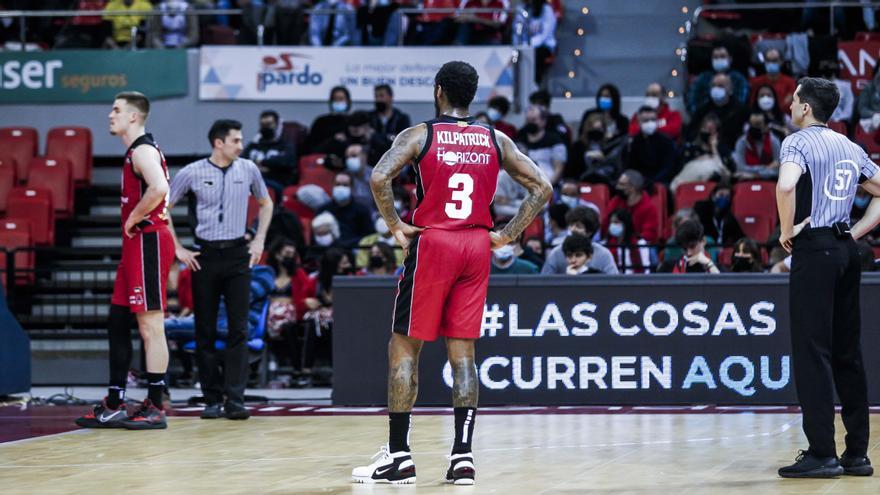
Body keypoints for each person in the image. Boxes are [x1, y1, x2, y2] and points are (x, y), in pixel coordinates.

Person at [352, 61, 551, 485]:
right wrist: (507, 235)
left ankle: (400, 456)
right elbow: (542, 188)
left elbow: (379, 176)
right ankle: (463, 457)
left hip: (435, 242)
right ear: (472, 94)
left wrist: (396, 227)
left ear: (439, 90)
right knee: (464, 354)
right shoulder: (496, 139)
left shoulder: (420, 134)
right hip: (477, 246)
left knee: (404, 347)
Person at [777, 77, 877, 478]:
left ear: (805, 108)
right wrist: (855, 233)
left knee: (812, 351)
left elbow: (786, 186)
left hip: (814, 248)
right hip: (846, 250)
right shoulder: (850, 145)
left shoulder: (796, 142)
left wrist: (786, 231)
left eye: (794, 99)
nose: (789, 105)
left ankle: (822, 452)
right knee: (847, 351)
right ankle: (857, 454)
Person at [76, 91, 174, 430]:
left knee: (150, 327)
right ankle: (115, 402)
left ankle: (155, 405)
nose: (110, 114)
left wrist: (133, 217)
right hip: (137, 244)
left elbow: (160, 188)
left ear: (134, 116)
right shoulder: (136, 151)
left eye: (116, 109)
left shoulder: (143, 150)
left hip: (147, 240)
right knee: (118, 322)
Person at [166, 119, 273, 421]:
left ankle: (235, 399)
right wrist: (178, 248)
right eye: (236, 140)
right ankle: (212, 398)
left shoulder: (249, 169)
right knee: (205, 329)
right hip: (206, 255)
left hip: (239, 254)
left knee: (239, 328)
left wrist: (259, 240)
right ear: (219, 143)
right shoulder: (191, 172)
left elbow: (266, 203)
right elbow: (164, 209)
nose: (241, 145)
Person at [541, 206, 618, 275]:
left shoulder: (604, 254)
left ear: (589, 232)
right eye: (571, 225)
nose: (573, 229)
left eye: (578, 226)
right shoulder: (556, 253)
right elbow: (544, 284)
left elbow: (614, 284)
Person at [671, 114, 733, 192]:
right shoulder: (690, 149)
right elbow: (682, 169)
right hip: (690, 185)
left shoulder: (723, 149)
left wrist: (714, 149)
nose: (706, 132)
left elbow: (727, 172)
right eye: (704, 128)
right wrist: (697, 160)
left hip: (716, 187)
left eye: (710, 129)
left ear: (716, 133)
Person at [689, 72, 751, 150]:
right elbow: (691, 133)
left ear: (730, 90)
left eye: (720, 86)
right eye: (713, 86)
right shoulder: (702, 110)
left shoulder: (742, 111)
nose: (716, 89)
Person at [243, 110, 298, 196]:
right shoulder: (253, 145)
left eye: (269, 125)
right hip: (252, 181)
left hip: (276, 183)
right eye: (263, 125)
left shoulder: (285, 145)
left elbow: (287, 162)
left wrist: (261, 162)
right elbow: (241, 162)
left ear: (277, 125)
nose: (266, 128)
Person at [687, 44, 749, 114]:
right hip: (705, 118)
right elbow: (692, 99)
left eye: (722, 56)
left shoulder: (739, 79)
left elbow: (741, 103)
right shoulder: (702, 78)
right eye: (715, 57)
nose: (719, 59)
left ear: (730, 59)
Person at [318, 171, 374, 248]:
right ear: (332, 186)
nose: (340, 188)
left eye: (345, 185)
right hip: (329, 253)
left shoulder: (362, 210)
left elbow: (369, 238)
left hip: (355, 251)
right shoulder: (322, 211)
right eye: (337, 184)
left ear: (352, 188)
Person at [624, 106, 678, 185]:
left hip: (661, 181)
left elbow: (668, 167)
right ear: (639, 122)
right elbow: (631, 166)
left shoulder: (667, 142)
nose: (650, 123)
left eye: (653, 120)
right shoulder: (634, 142)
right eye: (646, 120)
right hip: (639, 182)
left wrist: (652, 182)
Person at [566, 112, 626, 184]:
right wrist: (585, 156)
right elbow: (571, 171)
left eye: (599, 129)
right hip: (582, 182)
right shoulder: (578, 146)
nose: (596, 133)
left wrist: (604, 159)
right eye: (593, 129)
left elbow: (616, 169)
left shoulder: (610, 146)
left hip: (606, 182)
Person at [516, 104, 567, 184]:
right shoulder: (519, 139)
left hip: (549, 184)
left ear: (543, 121)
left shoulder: (555, 140)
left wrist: (547, 187)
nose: (530, 123)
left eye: (533, 120)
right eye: (528, 120)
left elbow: (558, 169)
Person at [605, 169, 659, 243]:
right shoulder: (615, 201)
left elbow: (650, 234)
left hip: (638, 245)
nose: (617, 187)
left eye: (622, 184)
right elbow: (606, 224)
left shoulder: (649, 208)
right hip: (615, 242)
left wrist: (631, 239)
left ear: (633, 187)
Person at [693, 182, 745, 247]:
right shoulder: (702, 209)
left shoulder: (729, 217)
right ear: (713, 195)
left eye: (727, 196)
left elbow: (740, 237)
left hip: (721, 250)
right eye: (721, 195)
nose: (724, 198)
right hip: (705, 248)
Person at [733, 111, 781, 180]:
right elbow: (740, 168)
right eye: (751, 124)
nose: (754, 127)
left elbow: (777, 169)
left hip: (769, 181)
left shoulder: (774, 141)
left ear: (766, 126)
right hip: (746, 181)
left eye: (757, 124)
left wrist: (755, 175)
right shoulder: (741, 142)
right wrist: (766, 167)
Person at [369, 84, 412, 162]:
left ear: (390, 97)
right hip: (373, 160)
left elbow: (402, 142)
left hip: (395, 160)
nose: (378, 100)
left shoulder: (402, 118)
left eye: (381, 96)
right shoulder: (369, 117)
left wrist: (375, 136)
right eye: (376, 96)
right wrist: (389, 137)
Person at [749, 48, 796, 114]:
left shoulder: (790, 82)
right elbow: (753, 103)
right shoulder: (756, 82)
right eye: (768, 60)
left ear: (781, 62)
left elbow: (790, 104)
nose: (771, 63)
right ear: (765, 62)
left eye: (774, 60)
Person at [605, 208, 652, 274]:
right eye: (611, 222)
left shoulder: (640, 243)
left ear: (625, 224)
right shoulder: (606, 245)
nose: (612, 225)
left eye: (616, 222)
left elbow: (646, 270)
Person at [307, 86, 352, 153]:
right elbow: (311, 147)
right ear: (331, 102)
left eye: (341, 99)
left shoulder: (353, 121)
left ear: (348, 102)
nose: (338, 102)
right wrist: (332, 140)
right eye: (335, 99)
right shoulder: (321, 122)